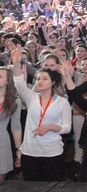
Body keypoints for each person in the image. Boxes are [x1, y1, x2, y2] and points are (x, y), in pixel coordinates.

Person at [11, 47, 72, 181]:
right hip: (29, 153)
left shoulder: (62, 102)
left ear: (53, 82)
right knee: (31, 191)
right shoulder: (31, 97)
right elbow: (19, 83)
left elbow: (67, 127)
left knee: (51, 191)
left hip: (52, 153)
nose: (40, 81)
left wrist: (50, 127)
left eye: (44, 78)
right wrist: (16, 64)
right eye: (38, 79)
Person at [0, 66, 22, 181]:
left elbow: (16, 126)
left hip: (2, 141)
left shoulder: (14, 99)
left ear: (8, 80)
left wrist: (19, 149)